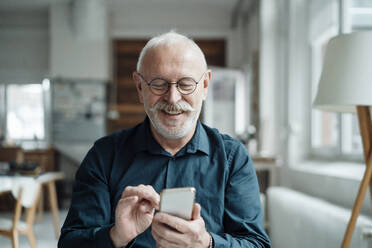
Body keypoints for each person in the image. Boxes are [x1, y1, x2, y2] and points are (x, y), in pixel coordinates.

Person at [58, 31, 271, 248]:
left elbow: (257, 244)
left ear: (205, 85)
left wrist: (206, 244)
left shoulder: (233, 158)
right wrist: (115, 236)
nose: (172, 98)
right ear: (140, 87)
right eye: (159, 84)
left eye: (186, 84)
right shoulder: (104, 156)